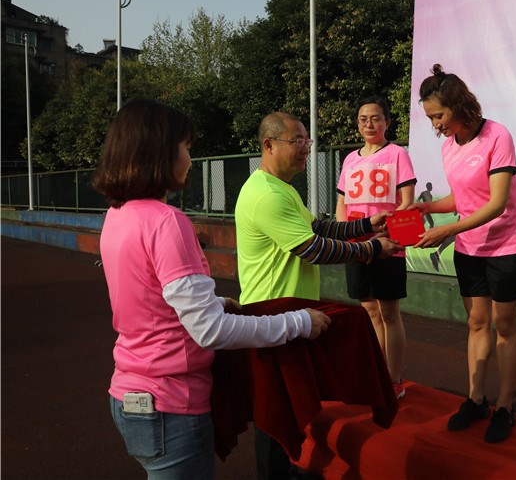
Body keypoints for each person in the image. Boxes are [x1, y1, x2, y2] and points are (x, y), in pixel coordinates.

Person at [93, 99, 332, 479]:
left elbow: (150, 295)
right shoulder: (167, 222)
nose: (190, 159)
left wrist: (214, 301)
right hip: (171, 403)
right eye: (186, 147)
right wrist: (299, 322)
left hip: (128, 393)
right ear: (160, 152)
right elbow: (210, 330)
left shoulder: (117, 215)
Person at [235, 111, 402, 480]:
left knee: (288, 400)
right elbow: (312, 248)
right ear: (268, 145)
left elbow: (318, 228)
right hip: (271, 313)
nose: (305, 149)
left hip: (288, 312)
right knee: (275, 405)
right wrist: (371, 249)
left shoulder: (283, 188)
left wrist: (365, 225)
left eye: (306, 141)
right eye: (297, 141)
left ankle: (284, 469)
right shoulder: (266, 195)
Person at [410, 64, 516, 444]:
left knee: (505, 326)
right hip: (470, 248)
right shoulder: (449, 146)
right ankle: (476, 400)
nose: (435, 125)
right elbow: (463, 198)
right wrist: (427, 208)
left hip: (507, 245)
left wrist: (447, 230)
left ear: (458, 104)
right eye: (430, 118)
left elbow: (497, 203)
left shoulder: (497, 135)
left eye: (438, 115)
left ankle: (505, 406)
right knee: (477, 323)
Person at [335, 95, 417, 400]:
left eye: (375, 118)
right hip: (357, 245)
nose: (369, 124)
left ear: (387, 122)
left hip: (387, 244)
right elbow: (342, 201)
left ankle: (393, 380)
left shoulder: (397, 154)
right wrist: (345, 234)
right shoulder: (349, 159)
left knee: (389, 312)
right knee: (369, 309)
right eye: (363, 119)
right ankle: (378, 374)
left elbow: (407, 202)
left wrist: (384, 233)